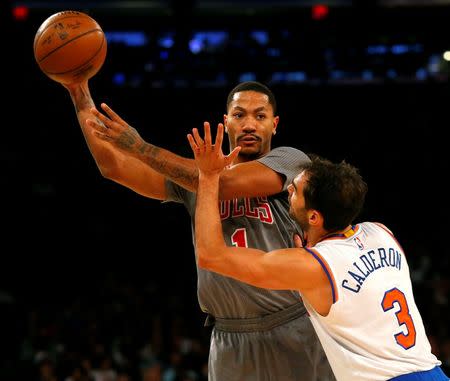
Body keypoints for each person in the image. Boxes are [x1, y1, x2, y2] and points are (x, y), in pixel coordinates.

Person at [63, 79, 335, 380]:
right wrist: (78, 91)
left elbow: (222, 183)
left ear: (275, 124)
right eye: (239, 114)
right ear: (225, 122)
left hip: (291, 325)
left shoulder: (292, 164)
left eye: (260, 116)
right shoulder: (192, 179)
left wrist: (140, 148)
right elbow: (112, 165)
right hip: (229, 335)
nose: (249, 124)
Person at [188, 123, 449, 381]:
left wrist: (209, 177)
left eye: (296, 191)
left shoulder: (315, 266)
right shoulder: (381, 233)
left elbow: (211, 255)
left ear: (314, 216)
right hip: (432, 372)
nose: (288, 189)